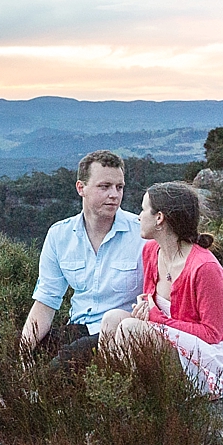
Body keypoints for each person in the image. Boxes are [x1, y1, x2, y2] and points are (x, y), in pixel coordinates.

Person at [98, 180, 223, 397]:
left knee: (131, 328)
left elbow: (214, 332)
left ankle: (140, 400)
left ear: (159, 218)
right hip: (174, 344)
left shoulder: (204, 267)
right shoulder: (151, 251)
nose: (139, 216)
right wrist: (145, 308)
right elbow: (153, 307)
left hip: (209, 356)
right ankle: (112, 395)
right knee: (112, 319)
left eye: (143, 209)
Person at [20, 150, 146, 360]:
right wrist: (23, 352)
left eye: (119, 187)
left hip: (115, 334)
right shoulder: (59, 235)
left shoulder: (142, 234)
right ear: (81, 188)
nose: (114, 194)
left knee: (61, 366)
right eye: (104, 187)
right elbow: (46, 302)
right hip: (75, 330)